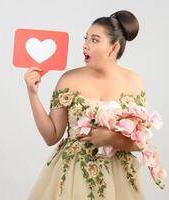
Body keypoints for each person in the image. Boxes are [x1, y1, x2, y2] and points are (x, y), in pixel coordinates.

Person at [25, 10, 147, 200]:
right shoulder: (69, 79)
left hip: (117, 179)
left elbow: (142, 141)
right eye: (86, 38)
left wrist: (111, 138)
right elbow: (51, 136)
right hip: (74, 175)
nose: (85, 45)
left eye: (94, 40)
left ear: (113, 48)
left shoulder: (133, 82)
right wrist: (32, 94)